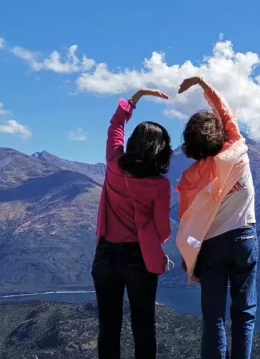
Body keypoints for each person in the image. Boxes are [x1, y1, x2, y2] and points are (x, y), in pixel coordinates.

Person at [174, 76, 257, 359]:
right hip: (244, 238)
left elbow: (187, 221)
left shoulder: (188, 179)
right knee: (244, 314)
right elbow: (227, 113)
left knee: (214, 318)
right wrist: (203, 84)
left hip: (210, 248)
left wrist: (190, 261)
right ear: (219, 134)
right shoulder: (238, 150)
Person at [93, 89, 173, 359]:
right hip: (139, 259)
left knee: (108, 328)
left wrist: (135, 99)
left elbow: (115, 127)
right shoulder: (160, 186)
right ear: (161, 151)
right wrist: (146, 230)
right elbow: (163, 231)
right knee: (143, 327)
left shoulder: (114, 165)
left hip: (105, 255)